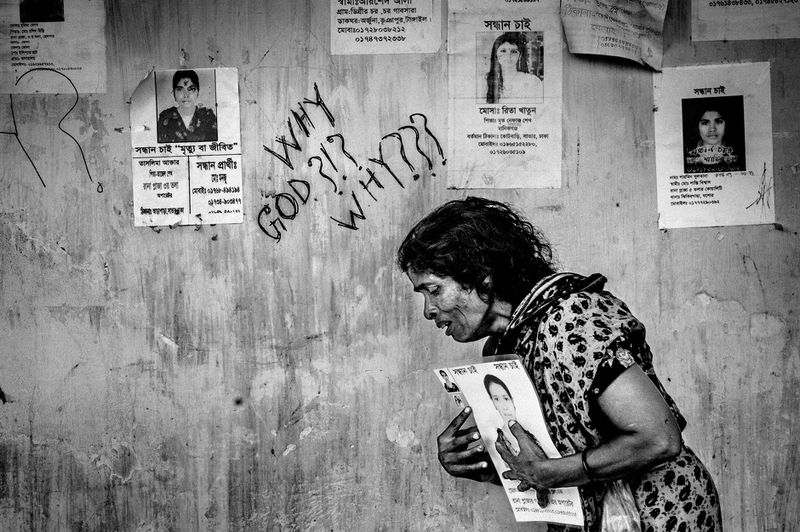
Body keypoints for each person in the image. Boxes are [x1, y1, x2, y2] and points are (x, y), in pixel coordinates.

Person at [397, 197, 722, 531]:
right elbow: (547, 462)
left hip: (658, 511)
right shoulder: (505, 347)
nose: (428, 310)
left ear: (482, 276)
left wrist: (548, 474)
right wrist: (484, 467)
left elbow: (658, 439)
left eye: (433, 290)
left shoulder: (573, 319)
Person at [157, 70, 218, 143]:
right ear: (174, 93)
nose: (186, 95)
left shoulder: (208, 117)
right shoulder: (165, 117)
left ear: (197, 92)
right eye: (180, 89)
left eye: (191, 89)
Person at [485, 33, 543, 104]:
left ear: (520, 56)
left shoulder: (533, 81)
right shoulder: (485, 81)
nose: (508, 56)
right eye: (503, 51)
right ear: (495, 55)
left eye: (513, 51)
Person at [684, 103, 743, 173]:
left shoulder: (740, 154)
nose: (712, 129)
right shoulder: (686, 154)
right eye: (705, 123)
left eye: (719, 122)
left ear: (727, 124)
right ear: (697, 126)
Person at [484, 374, 520, 455]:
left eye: (506, 398)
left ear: (512, 400)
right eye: (496, 399)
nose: (504, 406)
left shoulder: (528, 432)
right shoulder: (500, 441)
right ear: (493, 403)